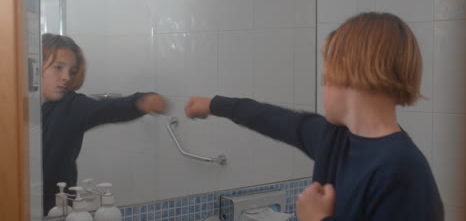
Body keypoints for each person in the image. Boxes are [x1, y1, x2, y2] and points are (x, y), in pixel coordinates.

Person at [184, 12, 444, 221]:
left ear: (348, 73)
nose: (323, 87)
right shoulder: (334, 138)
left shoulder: (403, 171)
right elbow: (270, 118)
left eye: (326, 78)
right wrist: (213, 104)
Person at [41, 33, 167, 214]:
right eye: (58, 68)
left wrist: (140, 102)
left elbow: (108, 108)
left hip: (59, 210)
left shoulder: (72, 106)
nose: (66, 77)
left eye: (72, 71)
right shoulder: (14, 109)